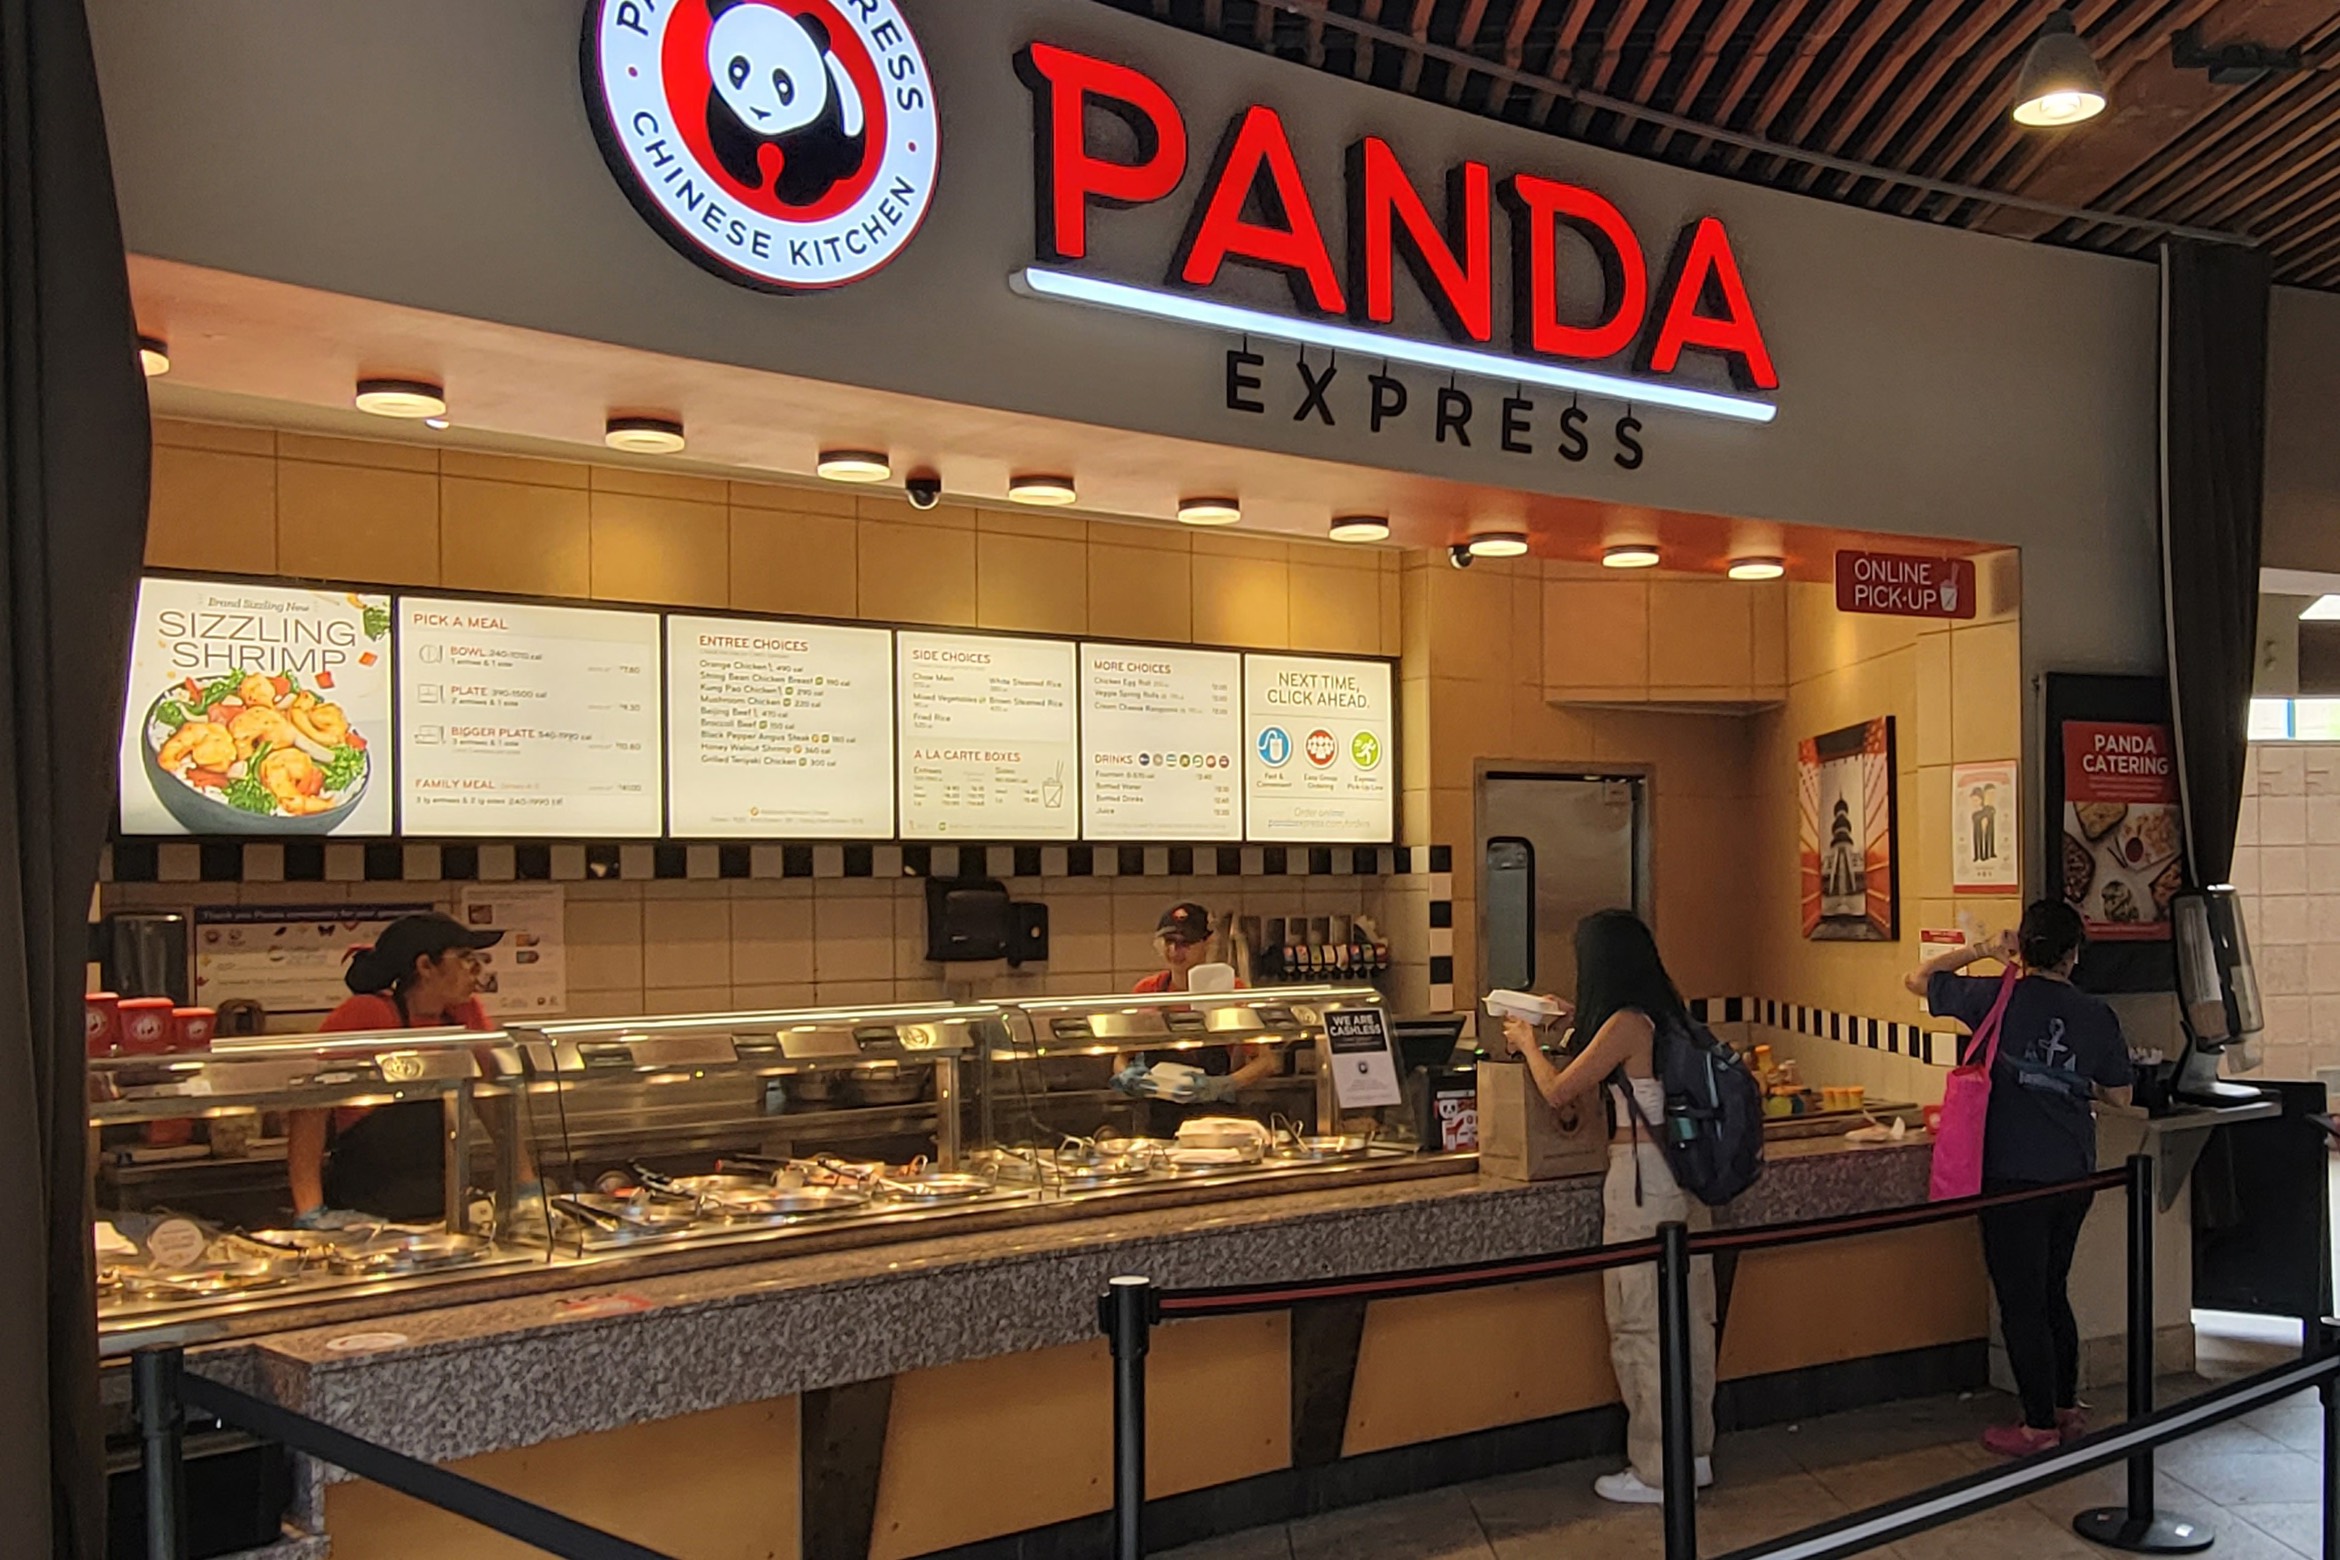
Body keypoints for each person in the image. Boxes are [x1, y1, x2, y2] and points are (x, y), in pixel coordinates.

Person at [1500, 909, 1717, 1505]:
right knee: (1689, 1325)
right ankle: (1692, 1455)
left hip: (1642, 1188)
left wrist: (1524, 1042)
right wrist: (1567, 1019)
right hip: (1684, 1188)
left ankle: (1654, 1471)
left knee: (1641, 1326)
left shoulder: (1626, 1023)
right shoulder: (1666, 1014)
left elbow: (1559, 1091)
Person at [1906, 900, 2134, 1457]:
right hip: (2072, 1175)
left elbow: (1919, 978)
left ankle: (2037, 1426)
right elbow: (2121, 1094)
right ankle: (2063, 1407)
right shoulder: (2095, 1014)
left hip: (2011, 1174)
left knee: (2021, 1299)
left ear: (2023, 948)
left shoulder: (1992, 997)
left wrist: (1985, 950)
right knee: (2054, 1291)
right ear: (2074, 954)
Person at [286, 913, 506, 1228]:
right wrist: (310, 1207)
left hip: (441, 1206)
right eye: (466, 958)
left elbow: (492, 1096)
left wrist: (522, 1181)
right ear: (425, 966)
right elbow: (310, 1106)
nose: (477, 969)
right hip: (366, 1212)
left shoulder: (460, 1016)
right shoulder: (367, 1013)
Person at [1113, 903, 1278, 1117]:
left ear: (1207, 942)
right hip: (1159, 1116)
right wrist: (1127, 1076)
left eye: (1185, 943)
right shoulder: (1148, 990)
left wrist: (1222, 1085)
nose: (1174, 951)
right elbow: (1121, 1057)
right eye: (1169, 942)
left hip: (1214, 1116)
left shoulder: (1230, 990)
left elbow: (1266, 1062)